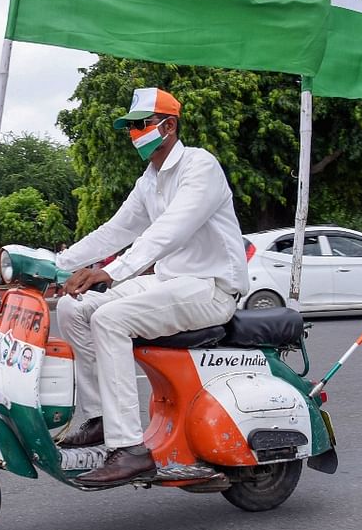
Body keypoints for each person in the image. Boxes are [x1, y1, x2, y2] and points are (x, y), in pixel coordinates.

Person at [53, 87, 248, 486]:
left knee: (108, 318)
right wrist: (55, 264)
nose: (135, 133)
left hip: (209, 288)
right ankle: (99, 418)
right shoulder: (150, 179)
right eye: (131, 127)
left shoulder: (200, 167)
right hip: (168, 282)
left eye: (141, 124)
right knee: (73, 308)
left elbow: (170, 231)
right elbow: (117, 229)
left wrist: (114, 271)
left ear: (169, 125)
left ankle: (129, 450)